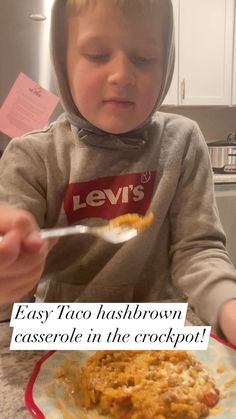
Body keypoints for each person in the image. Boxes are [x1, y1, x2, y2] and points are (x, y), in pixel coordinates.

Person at [0, 0, 236, 345]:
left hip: (162, 338)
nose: (122, 75)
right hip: (61, 343)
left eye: (144, 59)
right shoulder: (31, 156)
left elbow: (198, 249)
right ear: (63, 65)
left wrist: (228, 305)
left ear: (166, 65)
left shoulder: (183, 141)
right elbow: (9, 310)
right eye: (97, 55)